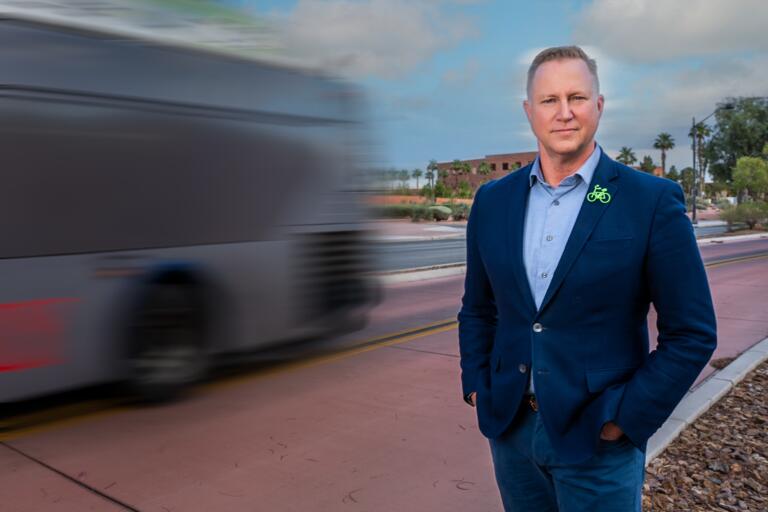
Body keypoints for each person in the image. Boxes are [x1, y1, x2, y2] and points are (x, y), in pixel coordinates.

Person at [457, 46, 717, 512]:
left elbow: (692, 332)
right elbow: (479, 308)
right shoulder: (494, 201)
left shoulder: (649, 200)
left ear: (598, 105)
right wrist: (477, 383)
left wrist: (625, 417)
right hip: (512, 430)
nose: (563, 113)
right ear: (528, 111)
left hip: (598, 440)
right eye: (549, 100)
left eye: (576, 97)